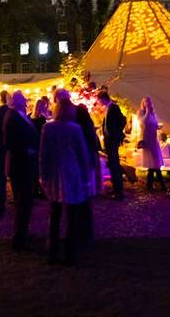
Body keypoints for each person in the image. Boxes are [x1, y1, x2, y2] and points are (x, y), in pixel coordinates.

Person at [39, 91, 90, 265]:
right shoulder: (75, 128)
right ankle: (70, 254)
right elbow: (82, 153)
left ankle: (51, 252)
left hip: (54, 172)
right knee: (71, 216)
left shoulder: (48, 128)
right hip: (71, 172)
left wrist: (42, 175)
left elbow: (43, 154)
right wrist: (85, 175)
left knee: (54, 214)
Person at [3, 90, 39, 249]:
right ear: (17, 101)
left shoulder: (20, 115)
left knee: (26, 200)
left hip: (26, 163)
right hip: (20, 164)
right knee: (22, 201)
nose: (26, 102)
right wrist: (26, 150)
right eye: (23, 100)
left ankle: (23, 232)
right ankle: (19, 238)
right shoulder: (12, 116)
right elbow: (10, 142)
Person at [73, 102, 101, 243]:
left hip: (79, 167)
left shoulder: (77, 131)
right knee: (85, 200)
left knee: (79, 201)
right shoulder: (87, 131)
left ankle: (81, 232)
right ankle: (87, 233)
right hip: (86, 164)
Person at [100, 90, 127, 200]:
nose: (99, 102)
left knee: (114, 164)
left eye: (99, 100)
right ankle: (116, 188)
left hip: (113, 140)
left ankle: (118, 191)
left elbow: (122, 120)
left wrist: (116, 133)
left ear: (103, 99)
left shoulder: (113, 107)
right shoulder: (108, 108)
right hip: (110, 140)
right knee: (112, 163)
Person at [137, 98, 166, 192]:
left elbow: (154, 124)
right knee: (153, 163)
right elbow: (142, 122)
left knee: (154, 163)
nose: (147, 103)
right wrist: (147, 112)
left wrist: (158, 127)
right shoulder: (141, 112)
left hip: (154, 139)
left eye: (149, 101)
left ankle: (150, 185)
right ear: (143, 103)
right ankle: (161, 185)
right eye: (145, 101)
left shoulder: (153, 114)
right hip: (147, 140)